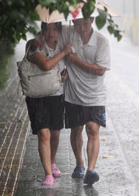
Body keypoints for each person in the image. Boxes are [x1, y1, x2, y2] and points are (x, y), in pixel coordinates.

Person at [58, 16, 110, 185]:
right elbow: (51, 41)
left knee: (93, 129)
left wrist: (75, 61)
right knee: (76, 130)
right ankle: (80, 163)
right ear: (73, 23)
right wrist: (61, 69)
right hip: (73, 94)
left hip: (95, 95)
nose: (82, 28)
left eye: (85, 24)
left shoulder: (101, 42)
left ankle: (91, 169)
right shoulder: (67, 33)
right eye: (78, 24)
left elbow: (101, 70)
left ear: (93, 20)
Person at [24, 22, 72, 186]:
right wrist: (64, 52)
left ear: (59, 31)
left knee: (55, 134)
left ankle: (51, 162)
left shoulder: (62, 46)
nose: (51, 33)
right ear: (42, 30)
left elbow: (63, 69)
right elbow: (45, 65)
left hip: (57, 95)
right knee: (44, 133)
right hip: (38, 97)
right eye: (47, 29)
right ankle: (48, 174)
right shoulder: (35, 46)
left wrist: (64, 75)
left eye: (54, 29)